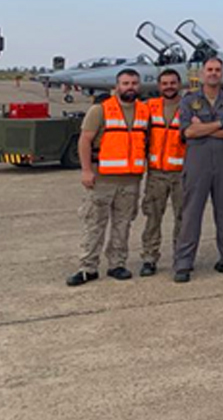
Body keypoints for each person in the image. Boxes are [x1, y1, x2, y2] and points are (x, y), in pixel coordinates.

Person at [67, 69, 149, 286]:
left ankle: (117, 264)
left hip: (130, 181)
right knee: (94, 224)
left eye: (133, 83)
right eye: (125, 83)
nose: (129, 87)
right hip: (102, 179)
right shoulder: (100, 110)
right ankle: (88, 267)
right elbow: (84, 141)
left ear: (138, 86)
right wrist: (86, 170)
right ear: (117, 86)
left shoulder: (144, 111)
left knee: (123, 225)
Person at [173, 58, 223, 283]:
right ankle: (184, 263)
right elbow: (188, 133)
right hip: (197, 162)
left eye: (217, 70)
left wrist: (203, 127)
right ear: (202, 73)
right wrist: (220, 124)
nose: (213, 73)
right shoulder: (189, 100)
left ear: (222, 73)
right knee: (191, 213)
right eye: (210, 70)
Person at [139, 68, 185, 277]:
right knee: (152, 218)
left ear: (179, 84)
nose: (169, 87)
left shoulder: (190, 106)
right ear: (159, 86)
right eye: (165, 83)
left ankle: (181, 258)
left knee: (183, 219)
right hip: (156, 173)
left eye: (173, 83)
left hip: (182, 174)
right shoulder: (150, 107)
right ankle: (149, 257)